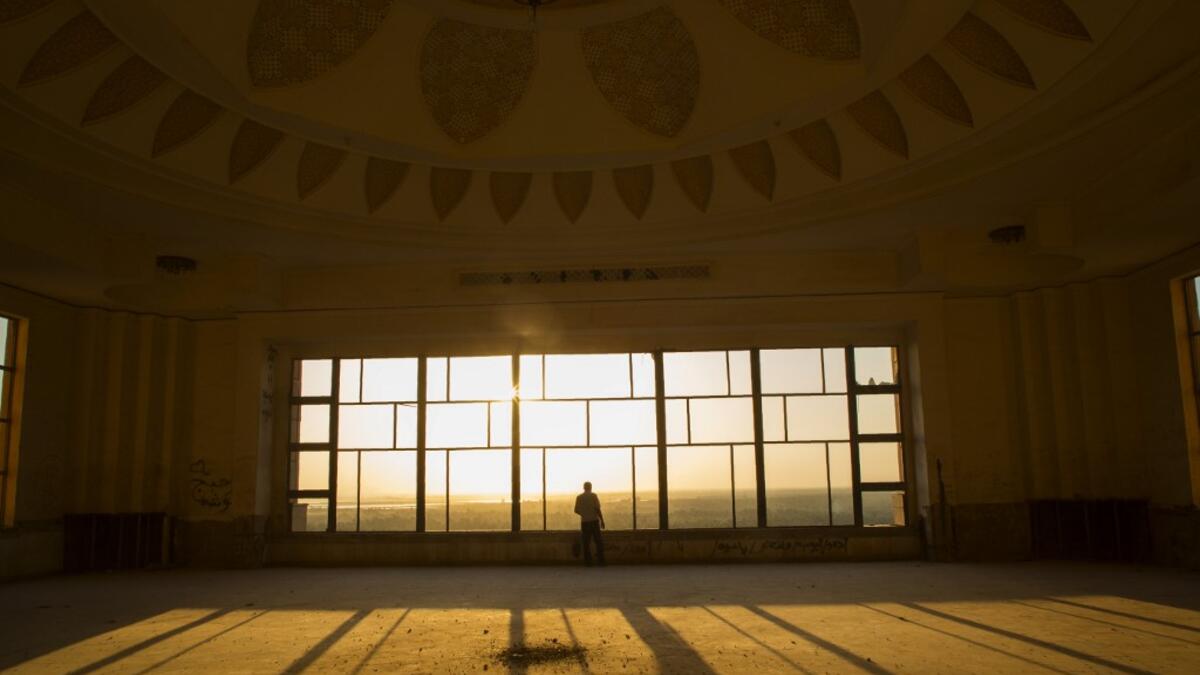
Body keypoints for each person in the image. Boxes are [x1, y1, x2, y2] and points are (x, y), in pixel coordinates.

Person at [573, 481, 606, 566]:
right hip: (594, 521)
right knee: (598, 541)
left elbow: (576, 510)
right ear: (591, 487)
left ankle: (588, 562)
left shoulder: (579, 497)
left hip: (585, 522)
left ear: (583, 487)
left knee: (586, 542)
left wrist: (584, 513)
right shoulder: (593, 496)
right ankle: (601, 561)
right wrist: (602, 520)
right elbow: (597, 509)